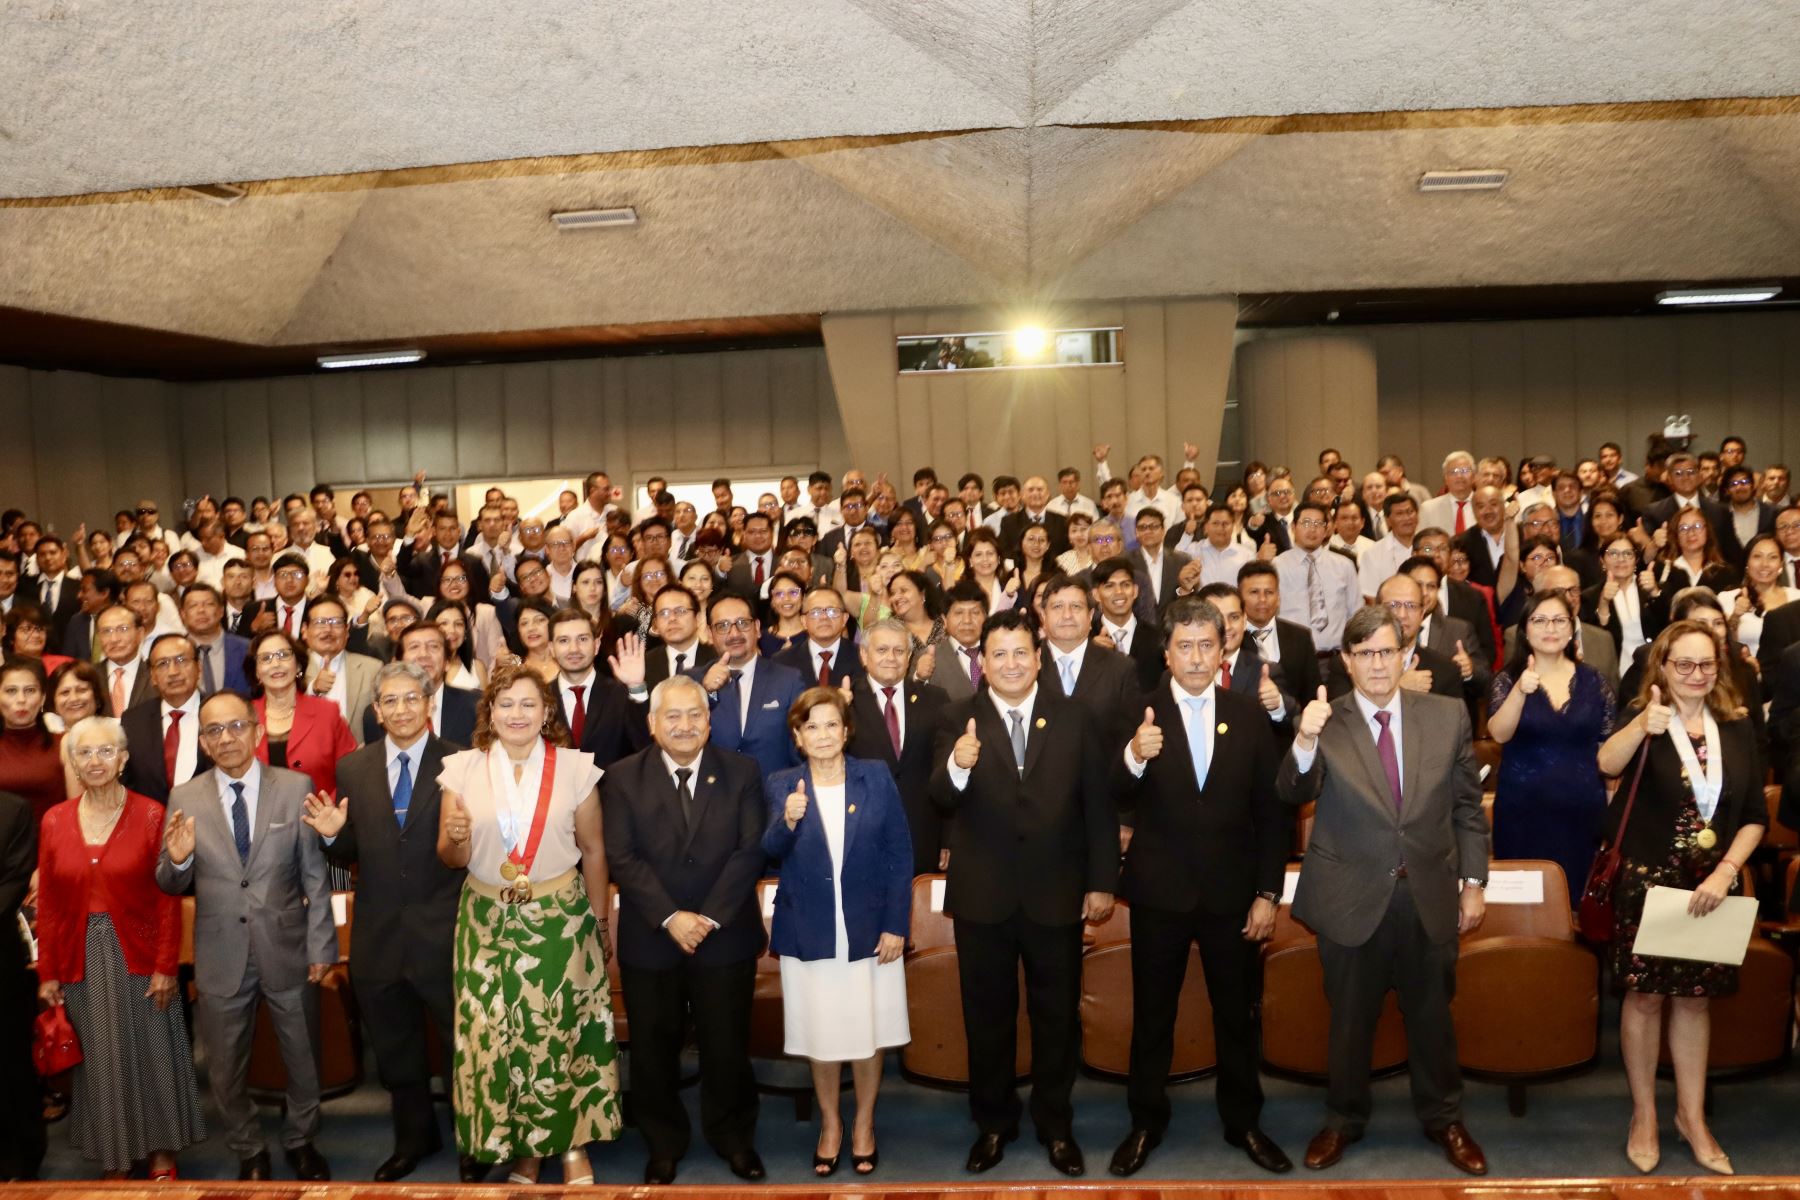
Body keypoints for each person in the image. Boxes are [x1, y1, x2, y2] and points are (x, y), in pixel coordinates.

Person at [1278, 606, 1490, 1176]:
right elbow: (1291, 789)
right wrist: (1303, 737)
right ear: (1346, 661)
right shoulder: (1326, 718)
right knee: (1348, 1022)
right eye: (1364, 653)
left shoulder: (1447, 716)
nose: (1376, 663)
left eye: (1387, 651)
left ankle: (1444, 1117)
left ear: (1406, 656)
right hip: (1350, 896)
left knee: (1432, 1019)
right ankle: (1343, 1118)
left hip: (1428, 893)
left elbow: (1468, 807)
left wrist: (1473, 883)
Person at [930, 609, 1118, 1177]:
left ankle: (1055, 1124)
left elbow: (1098, 807)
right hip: (982, 895)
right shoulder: (955, 716)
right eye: (999, 654)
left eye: (1020, 653)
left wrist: (1102, 881)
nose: (1011, 664)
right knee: (987, 1016)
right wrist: (958, 768)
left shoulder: (1076, 716)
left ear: (1038, 659)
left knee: (1056, 1015)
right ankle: (993, 1122)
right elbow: (938, 795)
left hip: (1056, 892)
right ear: (981, 663)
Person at [1110, 597, 1291, 1177]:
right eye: (1183, 646)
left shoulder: (1248, 715)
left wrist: (1268, 893)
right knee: (1153, 1014)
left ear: (1222, 651)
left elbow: (1272, 812)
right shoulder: (1139, 712)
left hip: (1232, 894)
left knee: (1236, 1014)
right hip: (1159, 893)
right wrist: (1135, 757)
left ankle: (1243, 1122)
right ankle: (1145, 1122)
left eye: (1206, 645)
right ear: (1166, 653)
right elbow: (1111, 791)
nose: (1194, 656)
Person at [434, 664, 622, 1185]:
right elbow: (450, 858)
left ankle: (573, 1146)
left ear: (546, 713)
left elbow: (594, 850)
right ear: (489, 714)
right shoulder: (462, 769)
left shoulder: (576, 769)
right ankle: (524, 1151)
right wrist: (455, 836)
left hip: (560, 918)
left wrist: (601, 924)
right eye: (505, 704)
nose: (516, 713)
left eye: (528, 704)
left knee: (562, 1032)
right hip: (485, 921)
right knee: (497, 1038)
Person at [1597, 621, 1765, 1175]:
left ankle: (1691, 1118)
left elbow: (1755, 818)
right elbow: (1606, 764)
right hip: (1647, 883)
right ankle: (1644, 1114)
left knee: (1695, 1000)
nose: (1697, 675)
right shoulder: (1645, 716)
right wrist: (1642, 725)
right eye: (1684, 665)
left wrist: (1725, 872)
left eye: (1707, 665)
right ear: (1663, 668)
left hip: (1712, 887)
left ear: (1720, 668)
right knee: (1644, 999)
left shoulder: (1738, 727)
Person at [155, 689, 336, 1181]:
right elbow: (169, 882)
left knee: (302, 1054)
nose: (227, 737)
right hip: (220, 953)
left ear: (257, 731)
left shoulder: (294, 785)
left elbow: (314, 876)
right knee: (224, 1067)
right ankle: (248, 1147)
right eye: (214, 730)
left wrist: (323, 945)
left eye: (236, 726)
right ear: (204, 743)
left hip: (288, 946)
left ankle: (301, 1138)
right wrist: (178, 859)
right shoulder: (184, 796)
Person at [304, 663, 475, 1182]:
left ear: (428, 704)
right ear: (376, 711)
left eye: (411, 699)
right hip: (379, 935)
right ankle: (413, 1140)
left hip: (445, 931)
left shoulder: (462, 763)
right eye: (390, 702)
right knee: (396, 1050)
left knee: (460, 1048)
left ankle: (475, 1145)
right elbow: (364, 848)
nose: (401, 709)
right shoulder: (354, 767)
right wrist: (335, 836)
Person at [602, 675, 767, 1185]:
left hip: (725, 935)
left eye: (695, 714)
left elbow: (750, 850)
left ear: (709, 720)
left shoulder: (742, 772)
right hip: (653, 938)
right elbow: (622, 857)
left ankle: (734, 1139)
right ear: (652, 724)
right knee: (653, 1050)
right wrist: (672, 917)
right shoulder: (622, 777)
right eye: (672, 716)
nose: (685, 725)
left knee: (726, 1046)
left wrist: (708, 917)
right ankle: (663, 1144)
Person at [36, 716, 203, 1179]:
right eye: (84, 753)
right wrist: (48, 969)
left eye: (106, 751)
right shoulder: (54, 820)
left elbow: (167, 898)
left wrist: (167, 965)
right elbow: (48, 901)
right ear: (72, 762)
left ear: (124, 758)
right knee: (103, 1058)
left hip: (142, 953)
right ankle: (117, 1155)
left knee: (154, 1051)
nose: (95, 761)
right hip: (80, 955)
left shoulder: (151, 813)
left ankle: (163, 1154)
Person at [763, 687, 912, 1176]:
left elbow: (899, 853)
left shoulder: (876, 776)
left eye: (832, 725)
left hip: (869, 930)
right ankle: (831, 1123)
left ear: (846, 731)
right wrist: (786, 821)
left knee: (868, 1031)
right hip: (811, 931)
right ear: (798, 737)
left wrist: (896, 925)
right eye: (812, 727)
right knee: (823, 1034)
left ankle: (865, 1121)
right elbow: (767, 848)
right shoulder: (782, 784)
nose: (823, 735)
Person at [1486, 591, 1616, 902]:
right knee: (1523, 908)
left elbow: (1607, 750)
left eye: (1559, 620)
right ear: (1525, 630)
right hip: (1523, 813)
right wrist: (1520, 691)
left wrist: (1611, 806)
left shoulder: (1595, 681)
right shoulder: (1507, 680)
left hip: (1583, 812)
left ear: (1571, 629)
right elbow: (1499, 734)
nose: (1550, 628)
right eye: (1540, 620)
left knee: (1578, 904)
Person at [846, 619, 951, 874]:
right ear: (863, 654)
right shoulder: (842, 702)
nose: (891, 658)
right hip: (858, 837)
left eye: (899, 651)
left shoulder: (937, 700)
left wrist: (947, 839)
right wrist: (835, 713)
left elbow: (947, 775)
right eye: (882, 650)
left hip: (922, 837)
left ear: (909, 657)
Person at [698, 592, 806, 778]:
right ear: (710, 634)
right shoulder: (694, 682)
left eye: (742, 623)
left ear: (757, 628)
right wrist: (706, 693)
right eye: (723, 626)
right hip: (714, 797)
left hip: (773, 797)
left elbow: (800, 749)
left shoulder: (789, 680)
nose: (734, 633)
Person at [247, 629, 356, 798]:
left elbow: (351, 773)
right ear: (256, 672)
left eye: (283, 655)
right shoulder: (244, 717)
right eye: (266, 658)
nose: (276, 663)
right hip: (259, 820)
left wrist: (328, 812)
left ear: (298, 665)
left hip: (320, 817)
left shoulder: (327, 713)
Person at [1274, 502, 1360, 653]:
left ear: (1327, 530)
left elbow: (1357, 613)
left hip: (1335, 656)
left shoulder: (1344, 565)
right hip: (1292, 655)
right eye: (1306, 523)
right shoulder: (1277, 566)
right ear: (1293, 527)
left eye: (1318, 523)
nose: (1312, 529)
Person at [0, 658, 77, 824]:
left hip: (51, 843)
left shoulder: (65, 744)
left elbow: (77, 812)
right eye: (11, 691)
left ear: (42, 698)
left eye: (30, 690)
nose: (21, 699)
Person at [1718, 532, 1795, 662]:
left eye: (1773, 557)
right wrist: (1735, 617)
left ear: (1781, 564)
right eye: (1757, 557)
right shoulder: (1726, 599)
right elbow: (1719, 645)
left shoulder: (1796, 598)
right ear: (1747, 563)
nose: (1765, 564)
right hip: (1743, 675)